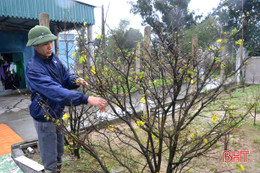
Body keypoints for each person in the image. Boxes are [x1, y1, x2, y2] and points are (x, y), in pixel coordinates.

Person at [25, 25, 108, 173]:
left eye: (50, 42)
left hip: (57, 114)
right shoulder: (34, 68)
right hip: (44, 118)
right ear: (35, 46)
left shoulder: (54, 59)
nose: (50, 46)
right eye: (45, 44)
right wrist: (86, 98)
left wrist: (76, 80)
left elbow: (65, 76)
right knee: (49, 159)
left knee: (59, 153)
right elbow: (55, 91)